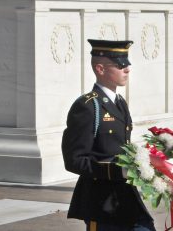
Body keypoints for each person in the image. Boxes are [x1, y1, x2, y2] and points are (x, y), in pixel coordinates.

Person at [62, 39, 156, 231]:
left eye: (127, 64)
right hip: (102, 203)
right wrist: (116, 171)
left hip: (126, 197)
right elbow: (74, 160)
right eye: (120, 65)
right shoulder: (87, 106)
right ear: (100, 69)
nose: (127, 69)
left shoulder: (119, 102)